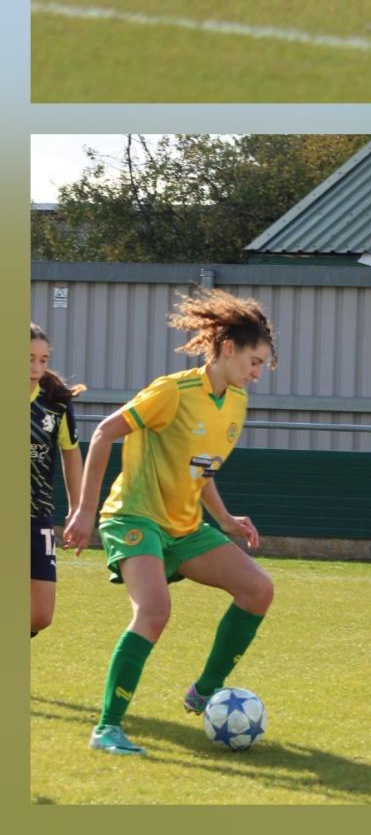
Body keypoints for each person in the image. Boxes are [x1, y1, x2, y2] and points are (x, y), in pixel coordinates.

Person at [62, 289, 276, 756]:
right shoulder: (171, 391)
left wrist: (224, 517)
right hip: (134, 517)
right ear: (226, 348)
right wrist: (83, 509)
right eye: (255, 361)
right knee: (155, 611)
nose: (258, 373)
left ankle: (205, 691)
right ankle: (107, 728)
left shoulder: (235, 402)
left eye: (262, 365)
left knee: (259, 589)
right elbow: (103, 433)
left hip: (184, 526)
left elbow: (203, 467)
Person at [30, 323, 84, 637]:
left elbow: (71, 454)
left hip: (37, 515)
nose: (37, 367)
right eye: (29, 359)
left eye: (43, 359)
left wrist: (78, 508)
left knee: (40, 616)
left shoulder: (56, 404)